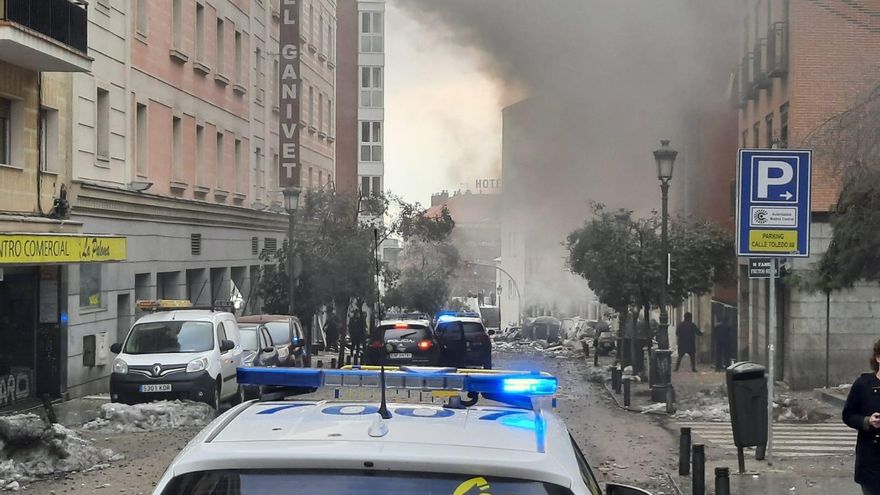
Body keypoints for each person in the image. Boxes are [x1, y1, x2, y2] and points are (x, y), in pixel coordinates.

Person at [843, 339, 880, 495]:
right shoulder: (863, 384)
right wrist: (867, 421)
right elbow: (848, 414)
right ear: (878, 358)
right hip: (871, 460)